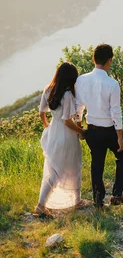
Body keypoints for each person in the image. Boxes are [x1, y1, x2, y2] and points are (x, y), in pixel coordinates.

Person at [75, 43, 123, 208]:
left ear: (93, 59)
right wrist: (120, 137)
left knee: (97, 164)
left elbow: (78, 107)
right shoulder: (112, 83)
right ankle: (117, 194)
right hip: (110, 130)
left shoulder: (81, 80)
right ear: (109, 61)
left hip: (92, 130)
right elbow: (115, 112)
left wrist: (80, 129)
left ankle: (98, 201)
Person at [34, 62, 83, 216]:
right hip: (66, 135)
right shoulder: (67, 95)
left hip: (54, 132)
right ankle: (75, 201)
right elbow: (67, 121)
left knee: (53, 168)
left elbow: (41, 113)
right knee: (72, 165)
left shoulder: (48, 89)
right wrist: (82, 131)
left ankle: (42, 205)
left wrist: (48, 126)